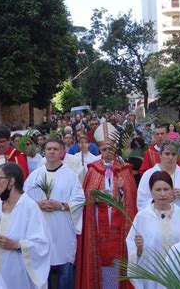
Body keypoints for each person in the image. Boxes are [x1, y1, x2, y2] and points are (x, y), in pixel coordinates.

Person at [76, 122, 138, 289]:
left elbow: (131, 199)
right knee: (101, 259)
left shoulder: (125, 170)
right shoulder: (92, 170)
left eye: (111, 149)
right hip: (97, 222)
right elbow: (87, 196)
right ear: (100, 151)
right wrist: (94, 196)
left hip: (120, 224)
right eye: (104, 149)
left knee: (118, 258)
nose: (108, 153)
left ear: (115, 150)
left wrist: (123, 189)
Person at [0, 163, 51, 289]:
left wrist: (16, 245)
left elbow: (41, 245)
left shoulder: (30, 208)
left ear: (11, 181)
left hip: (16, 276)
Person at [24, 139, 85, 288]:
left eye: (55, 149)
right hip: (40, 229)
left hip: (62, 228)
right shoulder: (35, 176)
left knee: (65, 270)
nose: (51, 151)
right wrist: (38, 204)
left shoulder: (71, 175)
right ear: (44, 152)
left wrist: (61, 205)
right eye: (49, 149)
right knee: (43, 269)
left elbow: (79, 200)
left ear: (62, 152)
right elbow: (23, 201)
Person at [126, 171, 180, 289]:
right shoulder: (142, 217)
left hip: (178, 275)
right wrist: (139, 248)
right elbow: (132, 246)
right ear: (151, 191)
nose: (162, 194)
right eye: (158, 190)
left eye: (166, 189)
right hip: (152, 277)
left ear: (172, 190)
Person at [137, 141, 180, 211]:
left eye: (173, 154)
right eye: (167, 154)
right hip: (156, 219)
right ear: (160, 155)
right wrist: (162, 199)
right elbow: (141, 203)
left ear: (177, 156)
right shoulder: (149, 174)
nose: (170, 157)